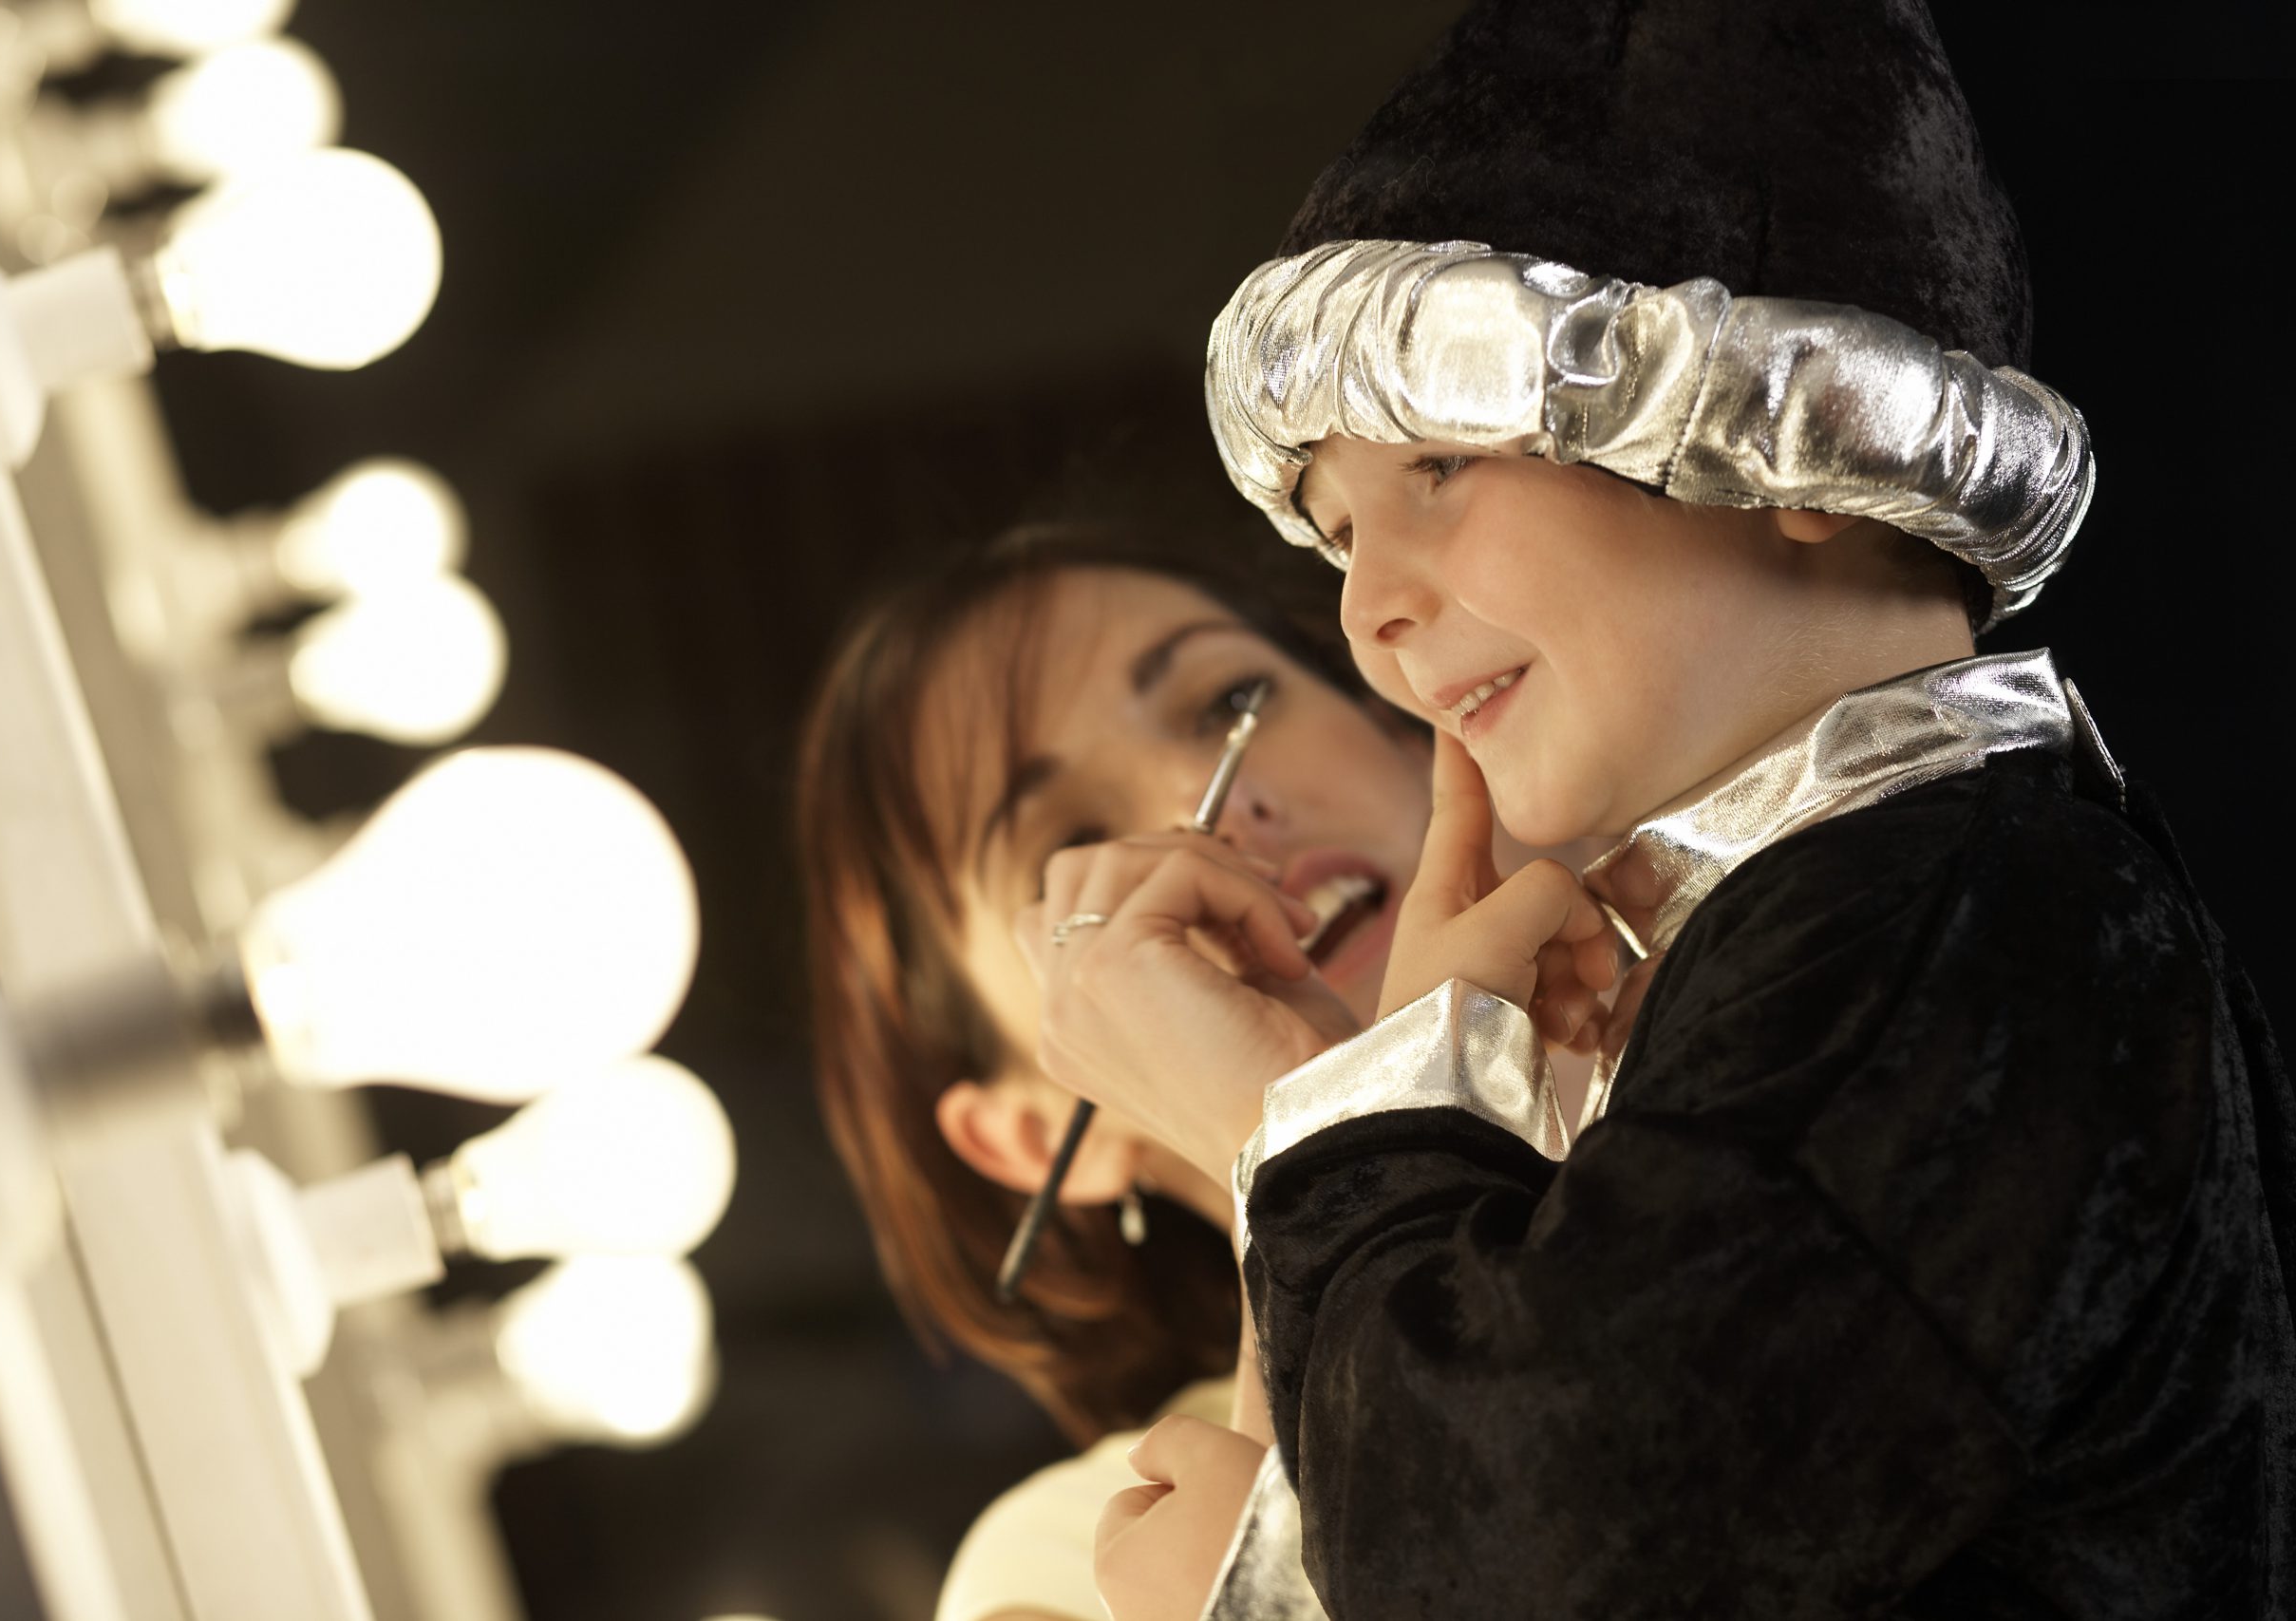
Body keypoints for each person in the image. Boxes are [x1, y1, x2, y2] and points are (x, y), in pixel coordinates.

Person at [1019, 4, 2295, 1618]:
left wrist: (1317, 1138)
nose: (1368, 614)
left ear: (1793, 436)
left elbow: (1543, 1540)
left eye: (1437, 472)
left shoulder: (1961, 919)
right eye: (1339, 540)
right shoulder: (1856, 924)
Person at [798, 521, 1602, 1621]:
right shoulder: (1055, 1569)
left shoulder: (1802, 1060)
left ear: (1402, 718)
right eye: (1065, 845)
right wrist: (1304, 1149)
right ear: (1032, 1137)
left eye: (1229, 705)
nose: (1204, 806)